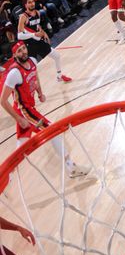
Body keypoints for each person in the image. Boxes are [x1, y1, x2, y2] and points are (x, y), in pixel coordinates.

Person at [0, 42, 88, 177]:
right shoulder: (14, 72)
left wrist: (40, 92)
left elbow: (35, 77)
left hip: (29, 108)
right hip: (24, 111)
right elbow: (3, 101)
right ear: (14, 55)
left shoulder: (32, 61)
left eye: (23, 48)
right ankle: (71, 167)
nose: (23, 52)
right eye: (19, 51)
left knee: (21, 146)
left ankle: (7, 176)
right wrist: (18, 118)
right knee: (53, 131)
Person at [16, 0, 72, 83]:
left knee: (57, 56)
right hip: (29, 46)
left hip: (38, 42)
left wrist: (44, 33)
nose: (32, 4)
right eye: (29, 2)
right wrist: (34, 34)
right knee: (32, 71)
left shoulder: (37, 13)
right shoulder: (23, 17)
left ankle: (59, 76)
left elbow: (37, 26)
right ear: (25, 5)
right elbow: (19, 36)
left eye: (32, 1)